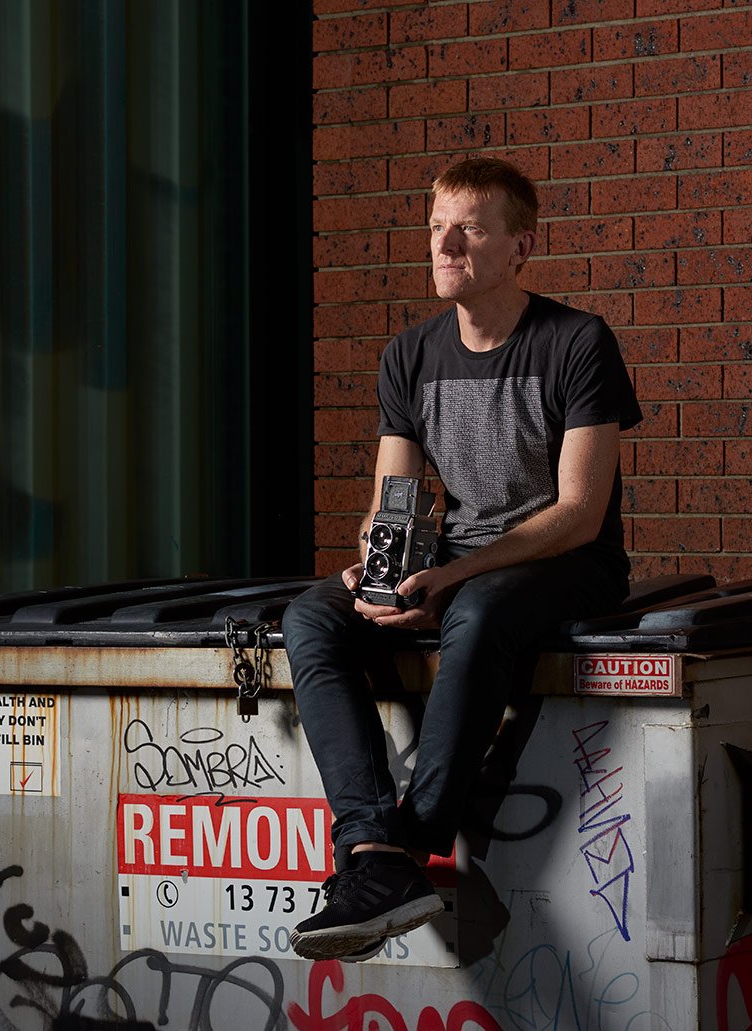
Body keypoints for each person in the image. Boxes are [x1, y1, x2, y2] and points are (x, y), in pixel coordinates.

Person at [281, 157, 642, 961]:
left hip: (568, 561)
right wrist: (374, 568)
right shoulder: (409, 355)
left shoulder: (577, 342)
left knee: (475, 612)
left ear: (520, 247)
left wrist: (452, 576)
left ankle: (409, 849)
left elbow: (580, 512)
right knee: (311, 614)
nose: (445, 243)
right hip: (458, 556)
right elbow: (393, 498)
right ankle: (371, 846)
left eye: (470, 227)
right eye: (436, 226)